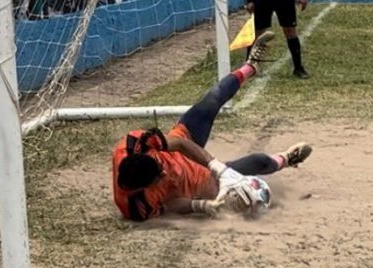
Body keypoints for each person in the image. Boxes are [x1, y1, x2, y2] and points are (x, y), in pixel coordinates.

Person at [111, 32, 313, 221]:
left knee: (211, 99)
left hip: (187, 141)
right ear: (143, 187)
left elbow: (180, 143)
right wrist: (201, 205)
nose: (165, 172)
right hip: (199, 182)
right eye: (160, 176)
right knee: (258, 161)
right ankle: (286, 159)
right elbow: (169, 205)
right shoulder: (137, 207)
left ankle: (250, 65)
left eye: (159, 165)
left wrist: (219, 167)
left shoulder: (134, 143)